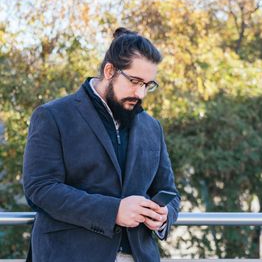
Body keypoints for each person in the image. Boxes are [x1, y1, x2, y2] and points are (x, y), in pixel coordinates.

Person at [23, 27, 180, 262]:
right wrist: (113, 211)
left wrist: (165, 215)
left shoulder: (152, 127)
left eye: (148, 85)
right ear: (109, 71)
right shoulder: (53, 115)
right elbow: (40, 189)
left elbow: (170, 192)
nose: (141, 93)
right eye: (135, 81)